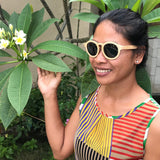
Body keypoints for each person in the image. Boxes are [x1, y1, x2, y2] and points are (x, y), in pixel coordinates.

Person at [37, 9, 160, 160]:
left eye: (111, 50)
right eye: (93, 48)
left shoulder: (153, 123)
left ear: (138, 54)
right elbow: (61, 150)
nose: (98, 59)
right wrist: (49, 94)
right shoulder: (90, 95)